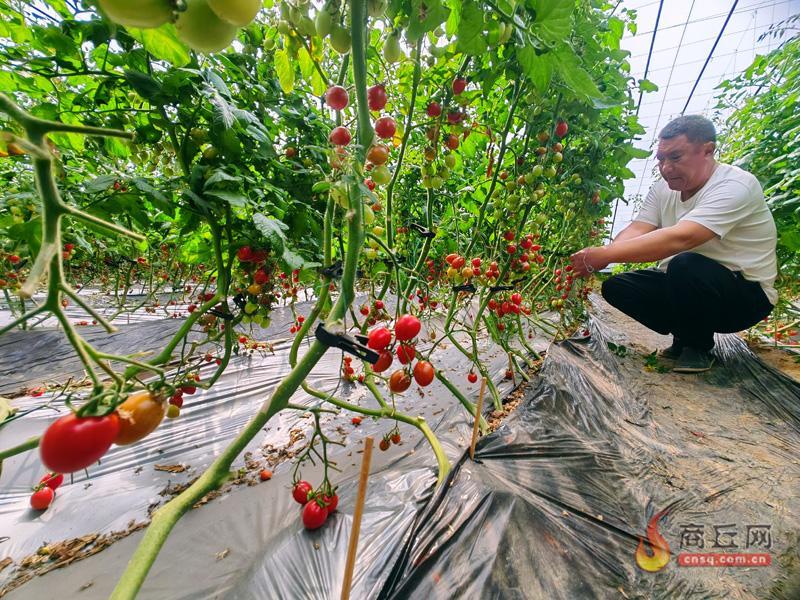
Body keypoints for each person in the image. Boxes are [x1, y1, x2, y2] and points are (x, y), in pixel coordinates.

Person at [569, 115, 777, 373]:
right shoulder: (663, 189)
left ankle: (697, 346)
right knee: (617, 287)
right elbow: (638, 228)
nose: (666, 167)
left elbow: (683, 237)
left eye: (676, 157)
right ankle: (685, 335)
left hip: (744, 296)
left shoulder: (735, 185)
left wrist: (604, 255)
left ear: (708, 151)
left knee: (685, 263)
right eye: (661, 159)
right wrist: (606, 254)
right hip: (689, 284)